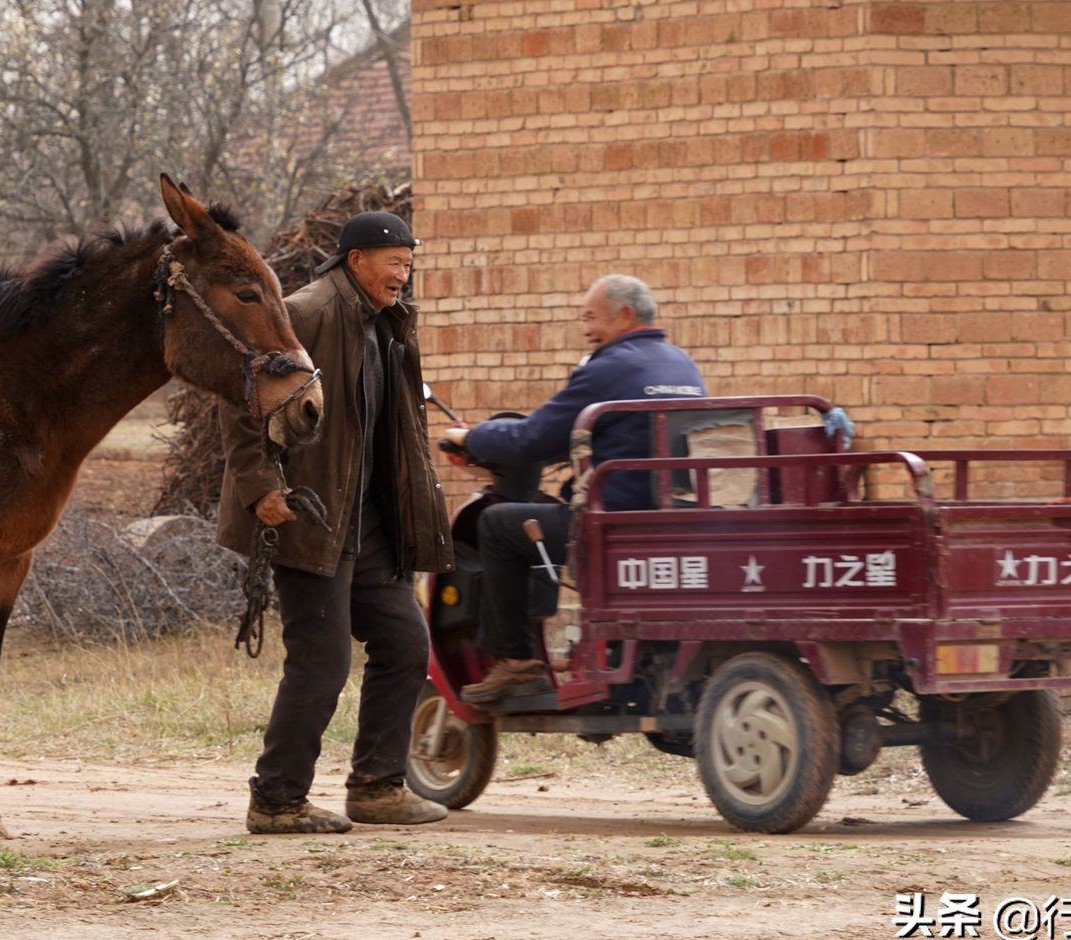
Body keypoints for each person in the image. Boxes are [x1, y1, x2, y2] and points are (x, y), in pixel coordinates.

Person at [218, 211, 455, 833]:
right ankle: (275, 799)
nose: (403, 274)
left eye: (409, 262)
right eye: (393, 263)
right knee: (322, 663)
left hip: (368, 521)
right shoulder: (308, 312)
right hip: (310, 513)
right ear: (356, 261)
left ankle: (377, 787)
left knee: (405, 643)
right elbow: (243, 403)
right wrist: (261, 488)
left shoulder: (389, 323)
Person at [441, 274, 712, 706]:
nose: (585, 328)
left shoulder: (609, 368)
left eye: (591, 317)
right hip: (667, 525)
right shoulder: (680, 364)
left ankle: (515, 664)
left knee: (497, 524)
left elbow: (534, 437)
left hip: (610, 530)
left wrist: (471, 439)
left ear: (625, 316)